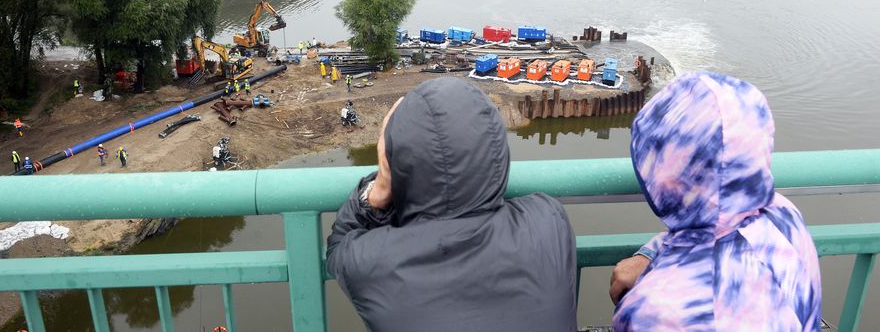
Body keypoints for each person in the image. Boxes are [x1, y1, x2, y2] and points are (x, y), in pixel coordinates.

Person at [327, 78, 577, 332]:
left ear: (392, 162)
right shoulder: (548, 222)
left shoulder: (371, 263)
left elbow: (338, 245)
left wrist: (380, 187)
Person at [610, 72, 821, 331]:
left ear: (667, 173)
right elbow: (719, 219)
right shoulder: (783, 215)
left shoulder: (659, 312)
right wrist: (652, 255)